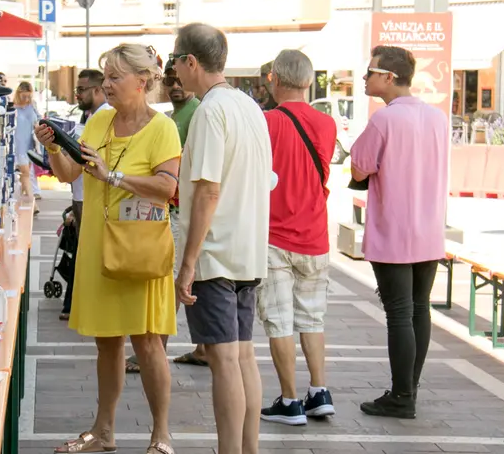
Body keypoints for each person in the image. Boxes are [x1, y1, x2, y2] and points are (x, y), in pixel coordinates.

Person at [34, 43, 181, 454]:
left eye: (116, 77)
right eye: (106, 76)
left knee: (148, 342)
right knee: (107, 342)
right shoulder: (100, 122)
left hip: (139, 248)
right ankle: (103, 431)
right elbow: (69, 173)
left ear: (143, 81)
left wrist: (112, 175)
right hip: (99, 246)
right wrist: (52, 147)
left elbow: (168, 187)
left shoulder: (161, 128)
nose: (108, 84)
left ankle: (161, 435)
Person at [173, 23, 271, 454]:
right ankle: (247, 448)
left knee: (224, 360)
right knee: (244, 356)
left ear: (191, 62)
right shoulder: (249, 106)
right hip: (248, 248)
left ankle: (230, 450)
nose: (174, 72)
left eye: (176, 61)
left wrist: (189, 262)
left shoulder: (210, 111)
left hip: (217, 253)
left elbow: (208, 190)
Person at [350, 45, 449, 419]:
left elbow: (359, 168)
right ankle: (410, 388)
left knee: (399, 314)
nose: (365, 77)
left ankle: (402, 395)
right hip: (428, 230)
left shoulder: (384, 120)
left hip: (393, 232)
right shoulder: (437, 118)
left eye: (370, 72)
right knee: (419, 310)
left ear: (388, 77)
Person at [256, 50, 337, 426]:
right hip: (316, 236)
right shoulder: (326, 123)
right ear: (308, 80)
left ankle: (290, 401)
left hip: (275, 235)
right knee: (313, 318)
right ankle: (319, 392)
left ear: (275, 79)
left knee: (279, 321)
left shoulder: (266, 122)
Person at [126, 60, 206, 373]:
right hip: (175, 208)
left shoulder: (197, 113)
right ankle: (202, 348)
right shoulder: (175, 116)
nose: (174, 86)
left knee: (169, 284)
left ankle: (154, 351)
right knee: (182, 283)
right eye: (169, 80)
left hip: (181, 210)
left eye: (179, 80)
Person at [59, 68, 113, 321]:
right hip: (82, 195)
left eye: (81, 89)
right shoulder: (93, 118)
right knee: (84, 253)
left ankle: (91, 307)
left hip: (91, 198)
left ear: (97, 90)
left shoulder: (102, 118)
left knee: (89, 254)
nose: (77, 94)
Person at [13, 82, 42, 213]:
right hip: (17, 145)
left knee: (25, 176)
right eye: (24, 96)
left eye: (28, 96)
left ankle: (22, 204)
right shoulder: (13, 108)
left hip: (30, 145)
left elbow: (39, 120)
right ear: (19, 94)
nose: (26, 99)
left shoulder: (32, 106)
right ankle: (32, 204)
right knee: (25, 175)